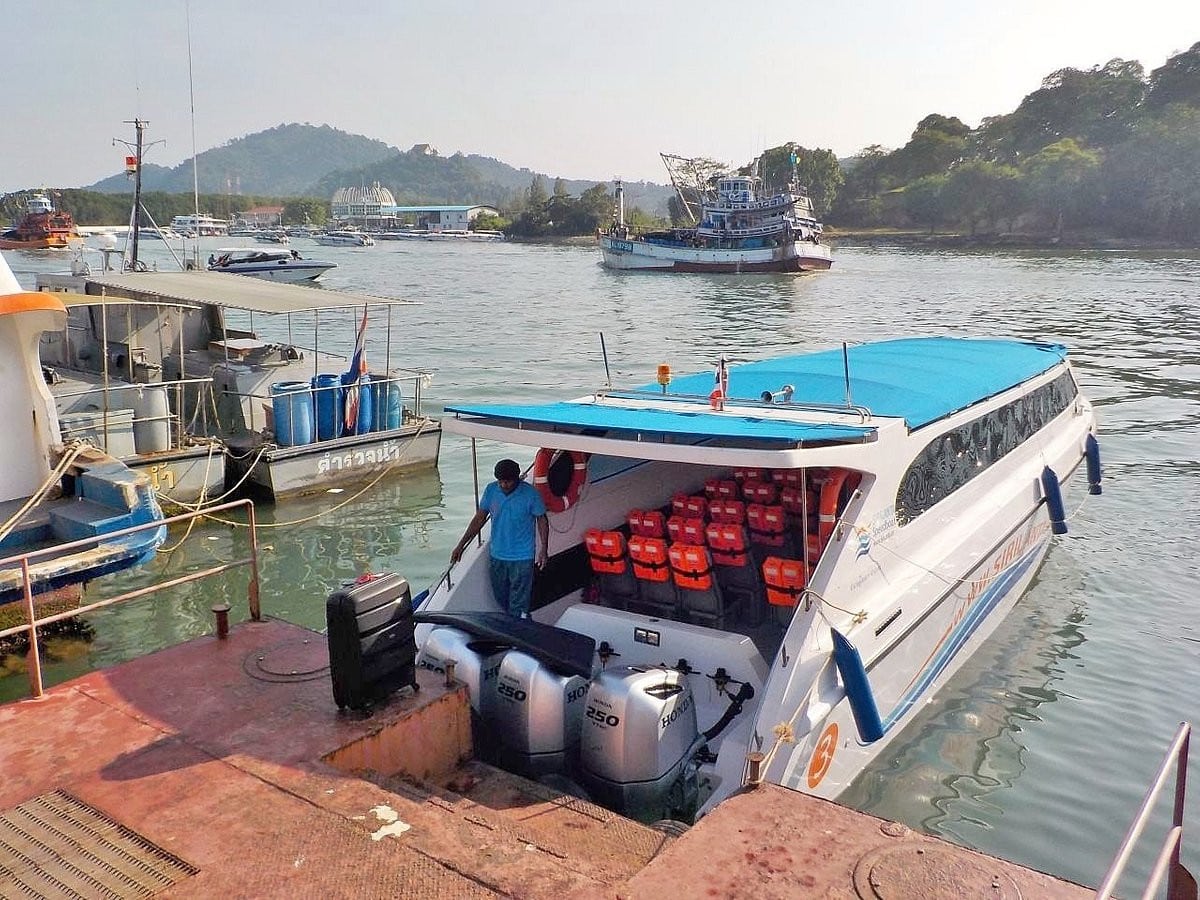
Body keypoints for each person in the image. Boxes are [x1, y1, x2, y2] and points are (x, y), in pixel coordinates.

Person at [450, 458, 549, 617]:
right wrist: (461, 545)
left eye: (508, 482)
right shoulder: (491, 490)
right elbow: (479, 519)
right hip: (497, 555)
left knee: (519, 602)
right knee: (500, 597)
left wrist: (544, 549)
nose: (504, 485)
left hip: (523, 557)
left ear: (517, 479)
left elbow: (542, 519)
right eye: (501, 482)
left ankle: (518, 630)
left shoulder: (531, 494)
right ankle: (518, 623)